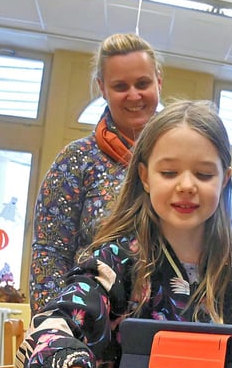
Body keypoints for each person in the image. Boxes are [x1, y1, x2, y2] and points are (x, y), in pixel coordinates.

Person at [15, 100, 232, 368]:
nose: (187, 186)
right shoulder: (112, 261)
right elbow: (47, 331)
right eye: (169, 173)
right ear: (145, 177)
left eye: (205, 175)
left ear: (225, 179)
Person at [30, 33, 162, 312]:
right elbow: (49, 254)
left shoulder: (182, 159)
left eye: (143, 83)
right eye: (120, 86)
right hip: (90, 323)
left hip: (165, 322)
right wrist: (54, 328)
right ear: (102, 88)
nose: (134, 95)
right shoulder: (75, 161)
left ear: (158, 81)